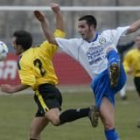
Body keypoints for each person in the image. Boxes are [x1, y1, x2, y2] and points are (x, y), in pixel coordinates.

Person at [0, 4, 98, 140]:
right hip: (54, 91)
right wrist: (58, 13)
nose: (12, 45)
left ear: (20, 46)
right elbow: (60, 32)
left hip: (44, 92)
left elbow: (29, 82)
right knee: (34, 133)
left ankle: (88, 111)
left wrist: (12, 89)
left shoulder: (23, 60)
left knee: (56, 120)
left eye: (14, 43)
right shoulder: (42, 49)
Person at [39, 11, 140, 140]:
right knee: (108, 125)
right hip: (101, 86)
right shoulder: (76, 44)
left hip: (116, 74)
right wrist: (43, 21)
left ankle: (113, 68)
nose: (79, 30)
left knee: (110, 49)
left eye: (82, 27)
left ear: (92, 27)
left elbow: (132, 27)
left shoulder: (107, 35)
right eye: (78, 27)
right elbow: (51, 39)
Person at [123, 34, 140, 128]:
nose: (139, 42)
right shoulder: (131, 53)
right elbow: (125, 63)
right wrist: (127, 69)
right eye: (137, 40)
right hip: (138, 77)